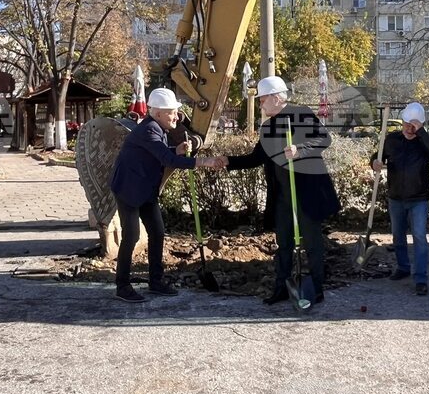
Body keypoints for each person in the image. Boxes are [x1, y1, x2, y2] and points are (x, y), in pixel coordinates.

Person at [223, 75, 341, 305]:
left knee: (312, 244)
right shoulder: (267, 127)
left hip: (306, 192)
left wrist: (300, 149)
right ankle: (281, 287)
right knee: (284, 243)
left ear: (276, 98)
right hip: (282, 196)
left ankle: (316, 288)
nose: (260, 104)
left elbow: (324, 139)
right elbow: (256, 157)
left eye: (262, 99)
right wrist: (227, 161)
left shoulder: (301, 114)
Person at [110, 87, 223, 302]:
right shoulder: (149, 130)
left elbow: (161, 155)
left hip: (145, 189)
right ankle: (122, 286)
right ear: (159, 112)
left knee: (158, 232)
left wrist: (176, 150)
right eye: (172, 112)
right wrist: (204, 162)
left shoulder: (157, 129)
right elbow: (168, 161)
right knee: (131, 236)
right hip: (129, 189)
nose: (176, 116)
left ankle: (156, 281)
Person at [371, 102, 429, 295]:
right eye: (407, 125)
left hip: (419, 198)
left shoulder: (425, 142)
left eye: (414, 126)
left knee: (419, 237)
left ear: (419, 125)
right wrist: (375, 163)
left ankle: (420, 278)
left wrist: (421, 133)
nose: (409, 129)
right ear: (402, 123)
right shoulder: (391, 140)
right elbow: (376, 157)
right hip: (396, 197)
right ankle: (403, 268)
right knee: (398, 236)